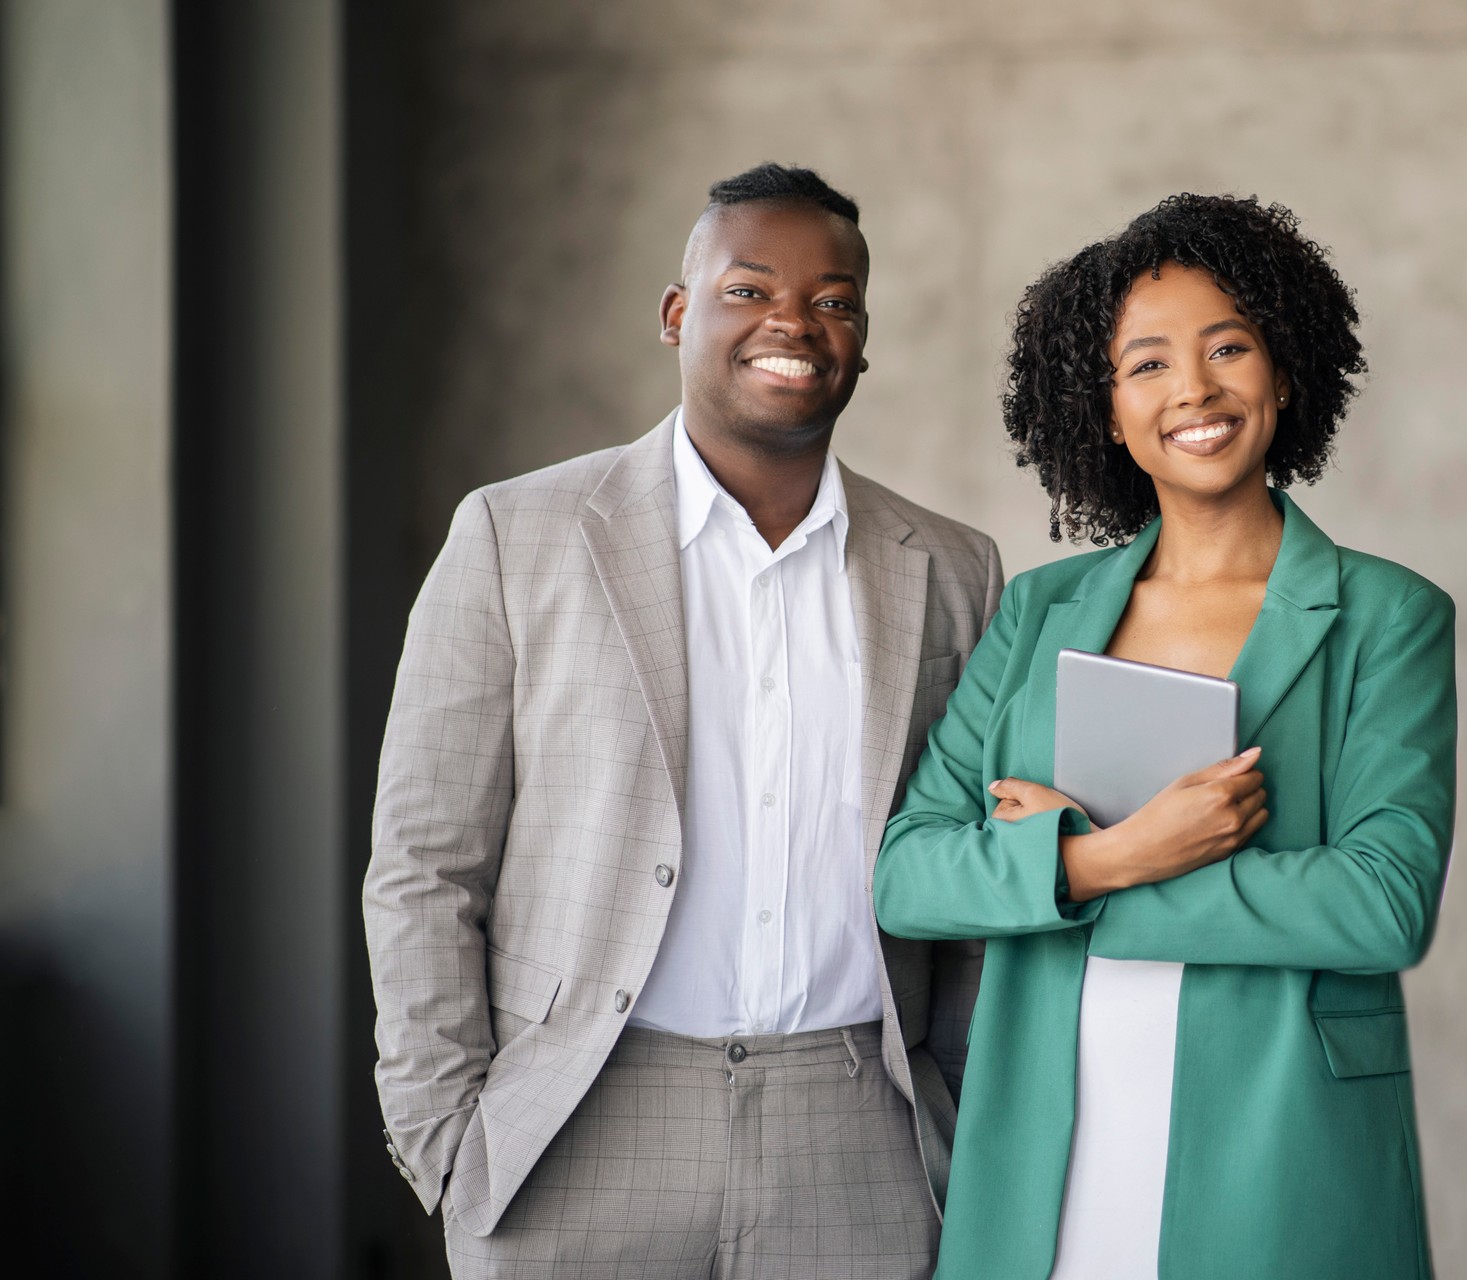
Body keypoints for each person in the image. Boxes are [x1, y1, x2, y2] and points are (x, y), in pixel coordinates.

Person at [365, 162, 1000, 1279]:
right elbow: (424, 860)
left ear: (864, 337)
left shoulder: (951, 569)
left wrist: (956, 1114)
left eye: (835, 299)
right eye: (749, 289)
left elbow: (965, 881)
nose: (795, 323)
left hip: (858, 1130)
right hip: (581, 1124)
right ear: (676, 314)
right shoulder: (520, 536)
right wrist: (445, 1135)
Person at [872, 193, 1457, 1279]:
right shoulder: (1039, 610)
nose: (1193, 388)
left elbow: (1383, 901)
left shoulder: (1390, 616)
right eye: (1147, 364)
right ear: (1103, 408)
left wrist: (1094, 877)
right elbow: (907, 874)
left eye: (1228, 346)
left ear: (1285, 373)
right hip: (1047, 1135)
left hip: (1279, 1149)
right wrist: (1112, 855)